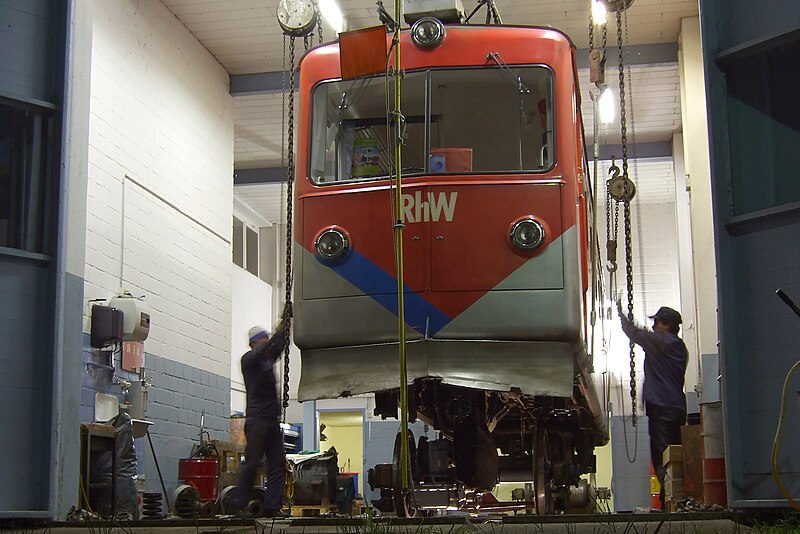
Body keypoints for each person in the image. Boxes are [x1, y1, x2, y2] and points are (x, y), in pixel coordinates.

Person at [617, 302, 688, 509]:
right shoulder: (679, 347)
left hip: (661, 407)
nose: (654, 326)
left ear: (665, 324)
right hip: (676, 406)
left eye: (657, 322)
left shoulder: (663, 342)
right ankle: (678, 500)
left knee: (661, 457)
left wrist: (621, 315)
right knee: (674, 456)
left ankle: (671, 503)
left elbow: (636, 334)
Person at [232, 310, 289, 518]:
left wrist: (286, 323)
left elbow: (278, 346)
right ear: (255, 342)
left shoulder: (265, 359)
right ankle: (239, 504)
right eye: (263, 339)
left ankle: (273, 507)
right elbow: (268, 348)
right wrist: (277, 331)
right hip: (257, 420)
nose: (266, 341)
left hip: (270, 420)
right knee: (252, 462)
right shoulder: (249, 360)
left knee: (277, 465)